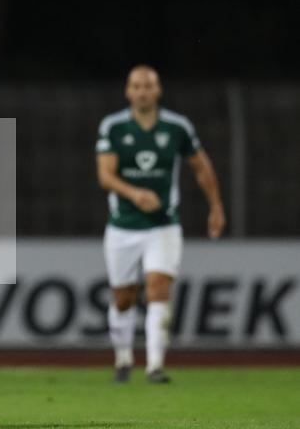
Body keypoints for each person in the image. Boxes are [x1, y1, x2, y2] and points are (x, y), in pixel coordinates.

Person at [96, 65, 225, 384]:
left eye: (148, 86)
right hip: (122, 226)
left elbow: (201, 167)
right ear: (128, 91)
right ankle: (123, 357)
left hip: (163, 225)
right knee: (124, 297)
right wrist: (135, 193)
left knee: (158, 287)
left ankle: (155, 365)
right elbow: (105, 176)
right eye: (136, 86)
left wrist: (216, 207)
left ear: (158, 90)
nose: (142, 91)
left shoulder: (177, 127)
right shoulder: (113, 126)